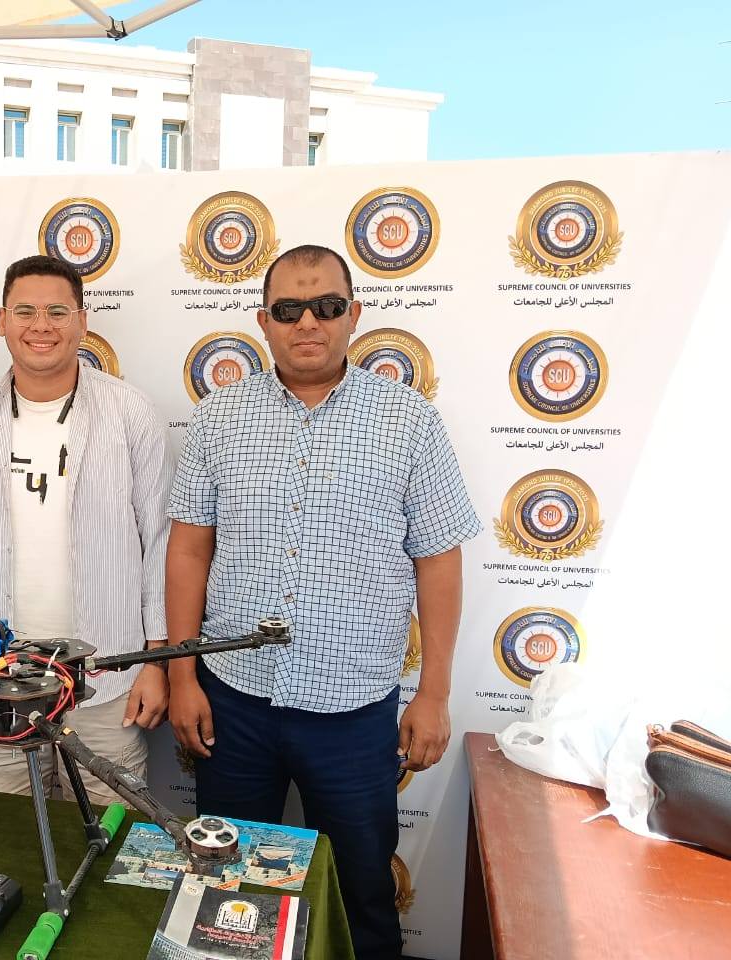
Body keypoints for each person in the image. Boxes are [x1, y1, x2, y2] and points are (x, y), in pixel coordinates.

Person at [165, 245, 480, 959]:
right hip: (234, 702)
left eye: (327, 306)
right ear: (263, 321)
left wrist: (433, 693)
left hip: (354, 713)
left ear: (353, 314)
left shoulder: (410, 421)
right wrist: (183, 675)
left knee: (361, 890)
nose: (308, 322)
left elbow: (438, 561)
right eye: (288, 309)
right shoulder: (218, 418)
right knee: (228, 888)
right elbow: (187, 551)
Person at [0, 255, 171, 806]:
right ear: (1, 320)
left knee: (109, 832)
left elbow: (159, 544)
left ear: (82, 321)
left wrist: (155, 665)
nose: (42, 325)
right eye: (25, 311)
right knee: (5, 831)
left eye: (58, 312)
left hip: (108, 677)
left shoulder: (130, 412)